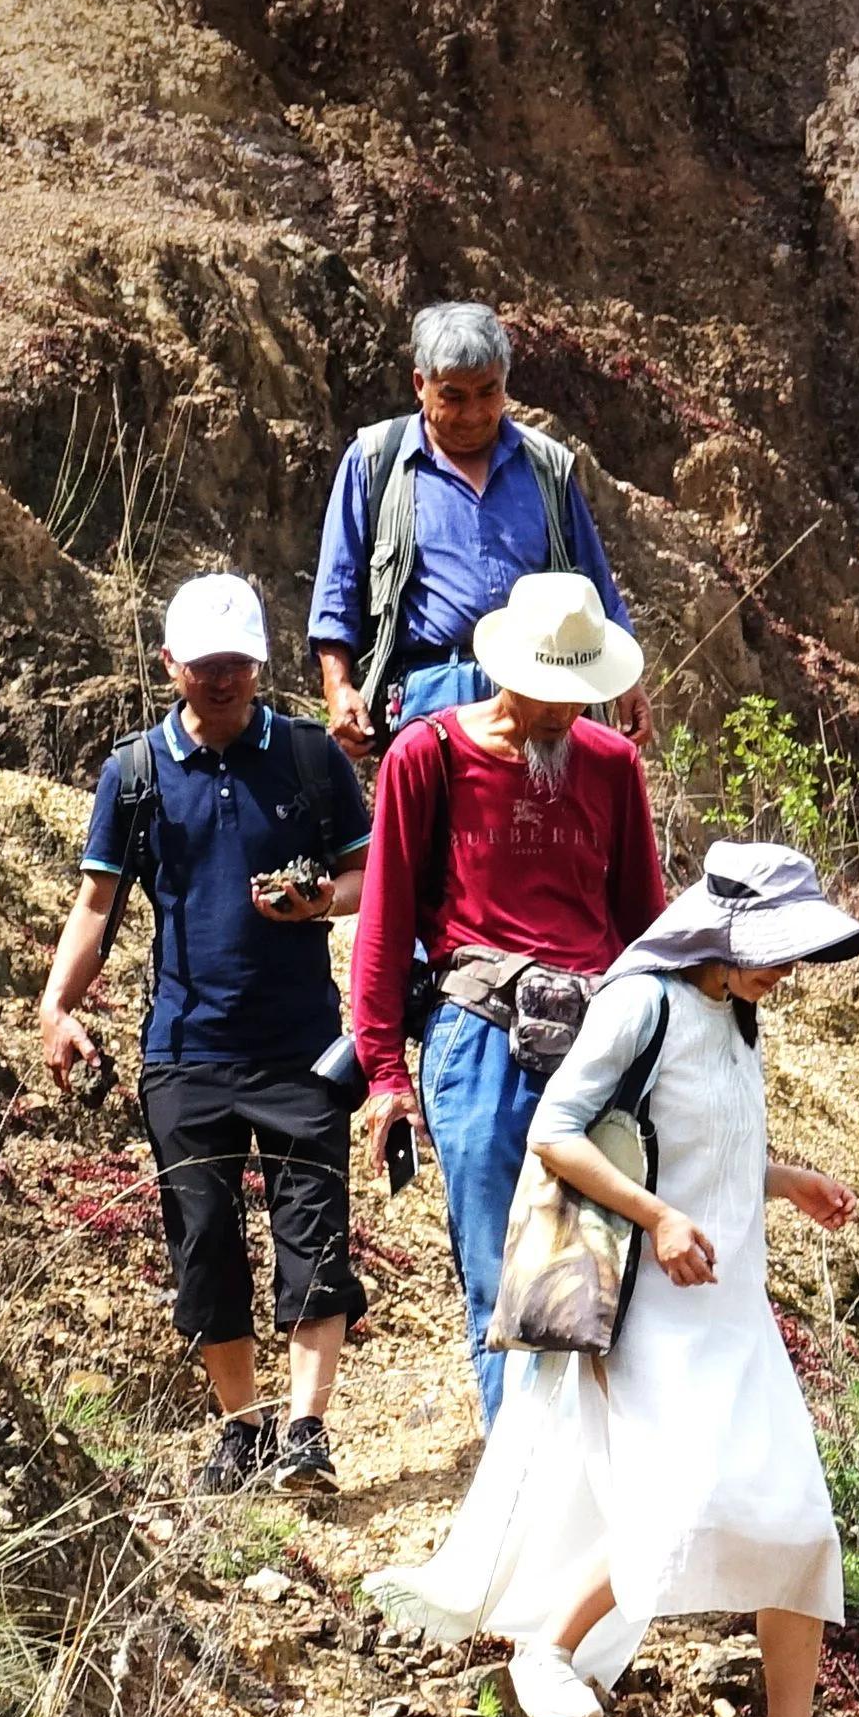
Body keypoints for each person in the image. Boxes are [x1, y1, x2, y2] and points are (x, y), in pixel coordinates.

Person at [371, 842, 859, 1717]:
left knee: (803, 1526)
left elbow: (699, 1146)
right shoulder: (641, 1005)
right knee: (679, 1501)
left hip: (733, 1312)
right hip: (649, 1312)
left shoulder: (737, 1017)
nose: (786, 971)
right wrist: (658, 1219)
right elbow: (558, 1134)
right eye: (773, 950)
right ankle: (548, 1653)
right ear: (718, 935)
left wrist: (786, 1180)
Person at [35, 572, 372, 1492]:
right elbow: (95, 904)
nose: (222, 681)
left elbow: (366, 882)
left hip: (302, 1045)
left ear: (260, 665)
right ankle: (242, 1427)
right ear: (171, 665)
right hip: (184, 1050)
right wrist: (56, 1008)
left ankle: (307, 1429)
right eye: (204, 666)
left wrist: (315, 905)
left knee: (313, 1232)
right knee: (204, 1238)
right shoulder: (135, 775)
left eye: (238, 665)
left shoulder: (310, 759)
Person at [347, 564, 661, 1423]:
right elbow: (385, 918)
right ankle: (516, 1496)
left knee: (592, 1275)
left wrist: (667, 1046)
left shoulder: (611, 766)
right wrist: (383, 1076)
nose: (560, 712)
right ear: (504, 670)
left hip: (597, 1037)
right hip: (477, 1031)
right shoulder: (429, 755)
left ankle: (588, 1497)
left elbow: (644, 926)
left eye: (575, 695)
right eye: (543, 693)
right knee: (498, 1275)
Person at [310, 302, 639, 751]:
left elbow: (593, 586)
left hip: (541, 694)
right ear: (419, 385)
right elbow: (337, 588)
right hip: (430, 698)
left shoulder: (545, 467)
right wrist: (338, 685)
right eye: (454, 397)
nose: (473, 413)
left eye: (488, 392)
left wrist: (626, 682)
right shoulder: (374, 462)